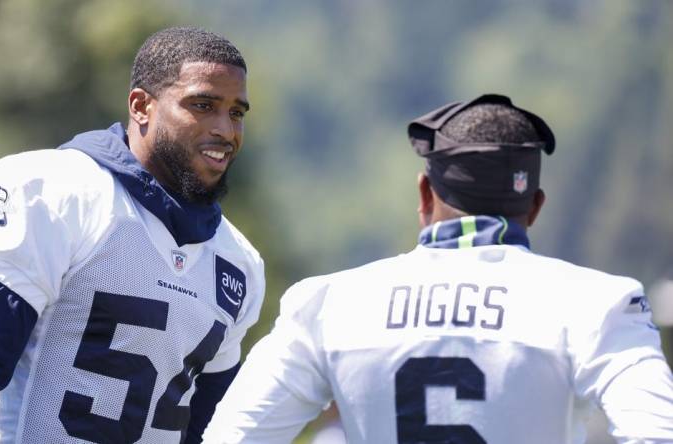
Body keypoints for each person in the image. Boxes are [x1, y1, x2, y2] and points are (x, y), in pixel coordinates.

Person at [201, 94, 673, 443]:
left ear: (425, 195)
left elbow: (231, 438)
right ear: (535, 206)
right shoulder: (596, 301)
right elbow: (657, 432)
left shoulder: (327, 303)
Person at [0, 26, 265, 444]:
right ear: (142, 106)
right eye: (203, 105)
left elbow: (209, 430)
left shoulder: (240, 264)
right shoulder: (56, 194)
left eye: (237, 112)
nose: (225, 130)